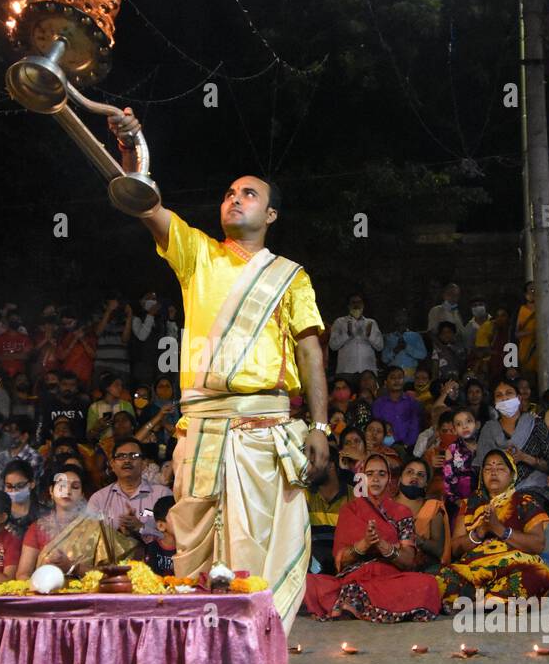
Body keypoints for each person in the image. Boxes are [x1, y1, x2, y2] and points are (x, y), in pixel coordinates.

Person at [109, 103, 328, 633]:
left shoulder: (290, 277)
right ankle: (202, 662)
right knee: (196, 559)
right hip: (203, 432)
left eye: (249, 193)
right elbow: (145, 204)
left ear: (271, 214)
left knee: (259, 560)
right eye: (229, 192)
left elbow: (310, 352)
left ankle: (256, 657)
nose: (234, 198)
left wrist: (320, 427)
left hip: (265, 434)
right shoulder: (197, 255)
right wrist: (132, 151)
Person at [301, 453, 441, 622]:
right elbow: (341, 561)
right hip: (355, 575)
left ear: (389, 479)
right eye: (370, 474)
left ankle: (353, 600)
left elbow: (408, 561)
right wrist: (365, 543)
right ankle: (357, 598)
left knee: (427, 584)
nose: (375, 479)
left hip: (388, 579)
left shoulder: (402, 512)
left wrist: (384, 546)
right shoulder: (350, 510)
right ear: (361, 478)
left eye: (381, 474)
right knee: (306, 582)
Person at [435, 450, 549, 607]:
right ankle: (491, 599)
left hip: (513, 567)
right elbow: (455, 548)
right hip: (475, 569)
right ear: (482, 475)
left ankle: (481, 600)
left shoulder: (525, 501)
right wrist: (480, 531)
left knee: (540, 575)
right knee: (443, 580)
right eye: (488, 468)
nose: (493, 472)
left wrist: (499, 529)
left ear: (512, 475)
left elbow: (538, 544)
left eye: (500, 468)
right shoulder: (469, 504)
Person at [16, 467, 132, 580]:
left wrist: (73, 567)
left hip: (86, 596)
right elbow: (23, 574)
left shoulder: (96, 527)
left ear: (82, 494)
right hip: (45, 595)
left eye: (75, 487)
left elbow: (110, 573)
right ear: (51, 491)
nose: (67, 491)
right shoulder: (37, 528)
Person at [86, 435, 173, 559]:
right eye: (121, 456)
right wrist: (118, 534)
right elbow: (90, 541)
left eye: (134, 456)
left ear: (144, 464)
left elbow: (174, 538)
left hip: (155, 569)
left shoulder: (162, 494)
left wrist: (141, 528)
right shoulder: (99, 499)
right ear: (112, 464)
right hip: (111, 569)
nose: (127, 461)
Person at [475, 381, 549, 502]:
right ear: (494, 403)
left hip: (534, 491)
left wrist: (525, 457)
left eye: (509, 393)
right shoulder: (488, 429)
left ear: (519, 398)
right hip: (497, 495)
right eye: (499, 395)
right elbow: (481, 468)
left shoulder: (536, 424)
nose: (504, 398)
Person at [396, 456, 451, 571]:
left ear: (426, 484)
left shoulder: (432, 507)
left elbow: (439, 550)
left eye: (421, 475)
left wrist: (417, 540)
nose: (415, 476)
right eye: (410, 472)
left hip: (422, 569)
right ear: (400, 478)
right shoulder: (385, 505)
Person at [306, 442, 354, 574]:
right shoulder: (303, 495)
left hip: (345, 568)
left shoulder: (354, 496)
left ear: (331, 466)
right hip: (310, 571)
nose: (309, 469)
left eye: (314, 464)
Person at [328, 294, 384, 378]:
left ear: (363, 305)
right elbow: (332, 346)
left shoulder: (371, 323)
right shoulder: (340, 322)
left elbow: (380, 346)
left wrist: (369, 336)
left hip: (368, 371)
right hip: (346, 371)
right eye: (353, 302)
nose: (356, 305)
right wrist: (347, 334)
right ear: (348, 306)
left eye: (359, 302)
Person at [372, 366, 422, 448]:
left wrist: (407, 444)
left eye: (400, 377)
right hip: (384, 446)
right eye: (392, 378)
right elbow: (377, 427)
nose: (397, 381)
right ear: (385, 382)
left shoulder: (411, 402)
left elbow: (414, 426)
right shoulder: (378, 404)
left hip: (409, 447)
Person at [442, 408, 479, 514]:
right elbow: (448, 478)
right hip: (461, 500)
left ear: (476, 424)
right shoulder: (452, 449)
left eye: (469, 421)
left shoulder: (485, 444)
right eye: (459, 424)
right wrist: (456, 500)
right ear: (454, 430)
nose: (464, 426)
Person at [382, 308, 427, 379]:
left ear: (407, 318)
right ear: (394, 318)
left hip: (410, 377)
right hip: (393, 377)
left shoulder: (415, 336)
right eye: (398, 315)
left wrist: (407, 347)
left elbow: (422, 355)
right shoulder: (389, 337)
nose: (400, 318)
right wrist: (395, 350)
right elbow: (384, 359)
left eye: (403, 315)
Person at [144, 494, 178, 576]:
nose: (182, 521)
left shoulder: (189, 548)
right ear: (161, 526)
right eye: (176, 517)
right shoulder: (153, 548)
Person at [514, 282, 539, 382]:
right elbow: (515, 333)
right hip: (526, 355)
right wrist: (533, 332)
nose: (534, 292)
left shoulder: (546, 310)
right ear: (525, 294)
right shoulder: (521, 311)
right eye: (531, 290)